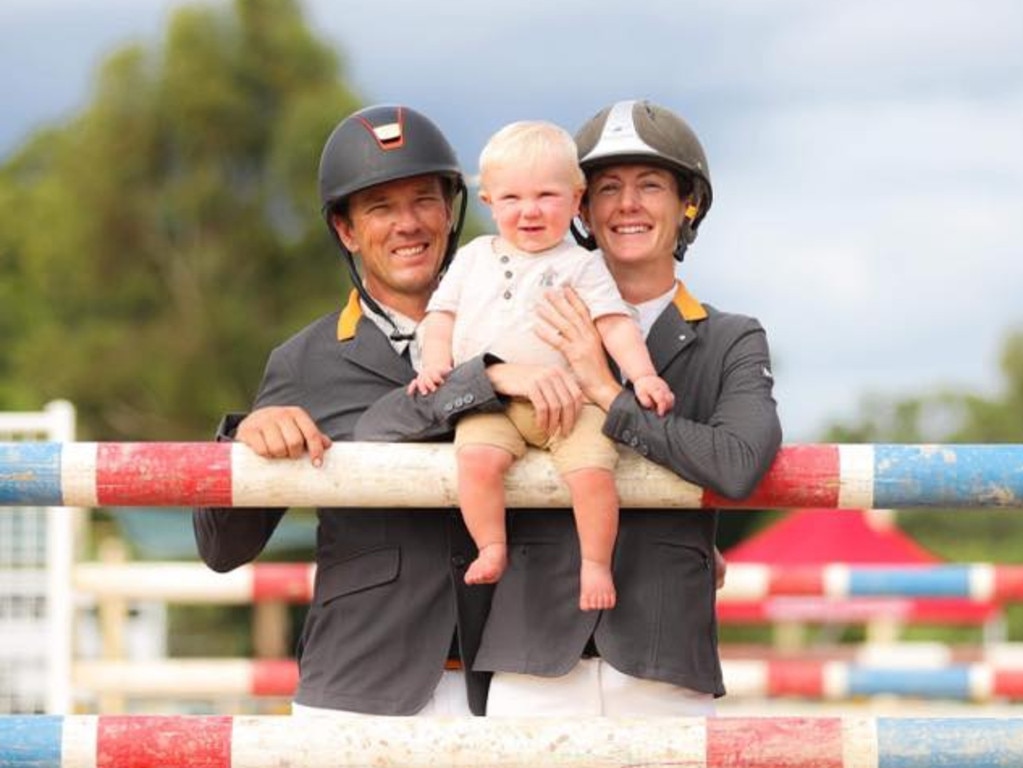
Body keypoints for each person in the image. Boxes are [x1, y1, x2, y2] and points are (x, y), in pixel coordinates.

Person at [355, 99, 782, 716]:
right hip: (529, 646)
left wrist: (604, 390)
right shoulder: (494, 303)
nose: (628, 204)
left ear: (688, 202)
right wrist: (497, 379)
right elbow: (381, 425)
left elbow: (740, 465)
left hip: (663, 653)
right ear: (585, 206)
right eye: (610, 187)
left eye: (651, 185)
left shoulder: (731, 336)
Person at [192, 104, 501, 716]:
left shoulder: (515, 332)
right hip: (360, 683)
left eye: (423, 200)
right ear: (347, 230)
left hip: (512, 683)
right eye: (381, 207)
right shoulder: (303, 361)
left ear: (450, 211)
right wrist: (244, 444)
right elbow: (221, 550)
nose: (408, 224)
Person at [411, 120, 674, 611]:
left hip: (573, 401)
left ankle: (595, 563)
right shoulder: (472, 259)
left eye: (546, 196)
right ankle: (491, 545)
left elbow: (616, 325)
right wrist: (434, 364)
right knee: (476, 461)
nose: (529, 211)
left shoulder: (582, 264)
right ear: (488, 202)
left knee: (593, 473)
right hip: (494, 402)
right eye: (511, 199)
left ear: (577, 201)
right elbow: (439, 318)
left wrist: (643, 375)